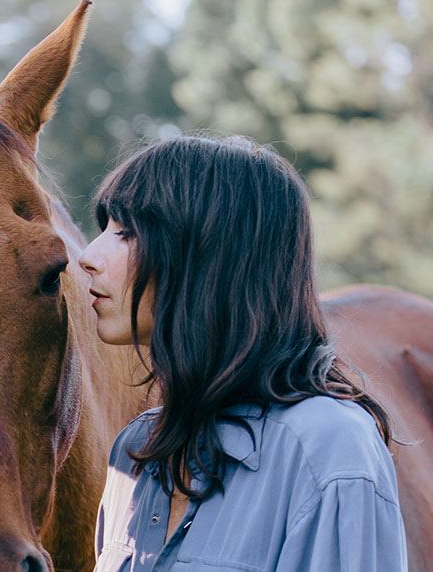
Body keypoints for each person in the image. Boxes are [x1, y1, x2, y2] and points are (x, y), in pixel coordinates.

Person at [78, 134, 407, 571]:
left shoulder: (329, 449)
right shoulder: (137, 448)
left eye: (127, 233)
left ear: (210, 258)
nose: (87, 255)